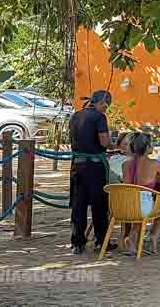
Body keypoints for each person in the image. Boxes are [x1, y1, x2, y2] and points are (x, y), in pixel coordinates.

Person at [69, 90, 116, 255]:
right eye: (106, 105)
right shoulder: (99, 117)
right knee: (99, 205)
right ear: (101, 102)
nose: (106, 108)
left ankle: (77, 243)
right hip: (94, 167)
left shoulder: (75, 116)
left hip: (77, 165)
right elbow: (104, 141)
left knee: (78, 204)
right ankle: (101, 241)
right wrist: (113, 145)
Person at [121, 133, 160, 254]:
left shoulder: (125, 165)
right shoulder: (155, 164)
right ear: (148, 147)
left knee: (141, 203)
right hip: (143, 206)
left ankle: (132, 237)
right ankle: (154, 235)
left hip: (126, 205)